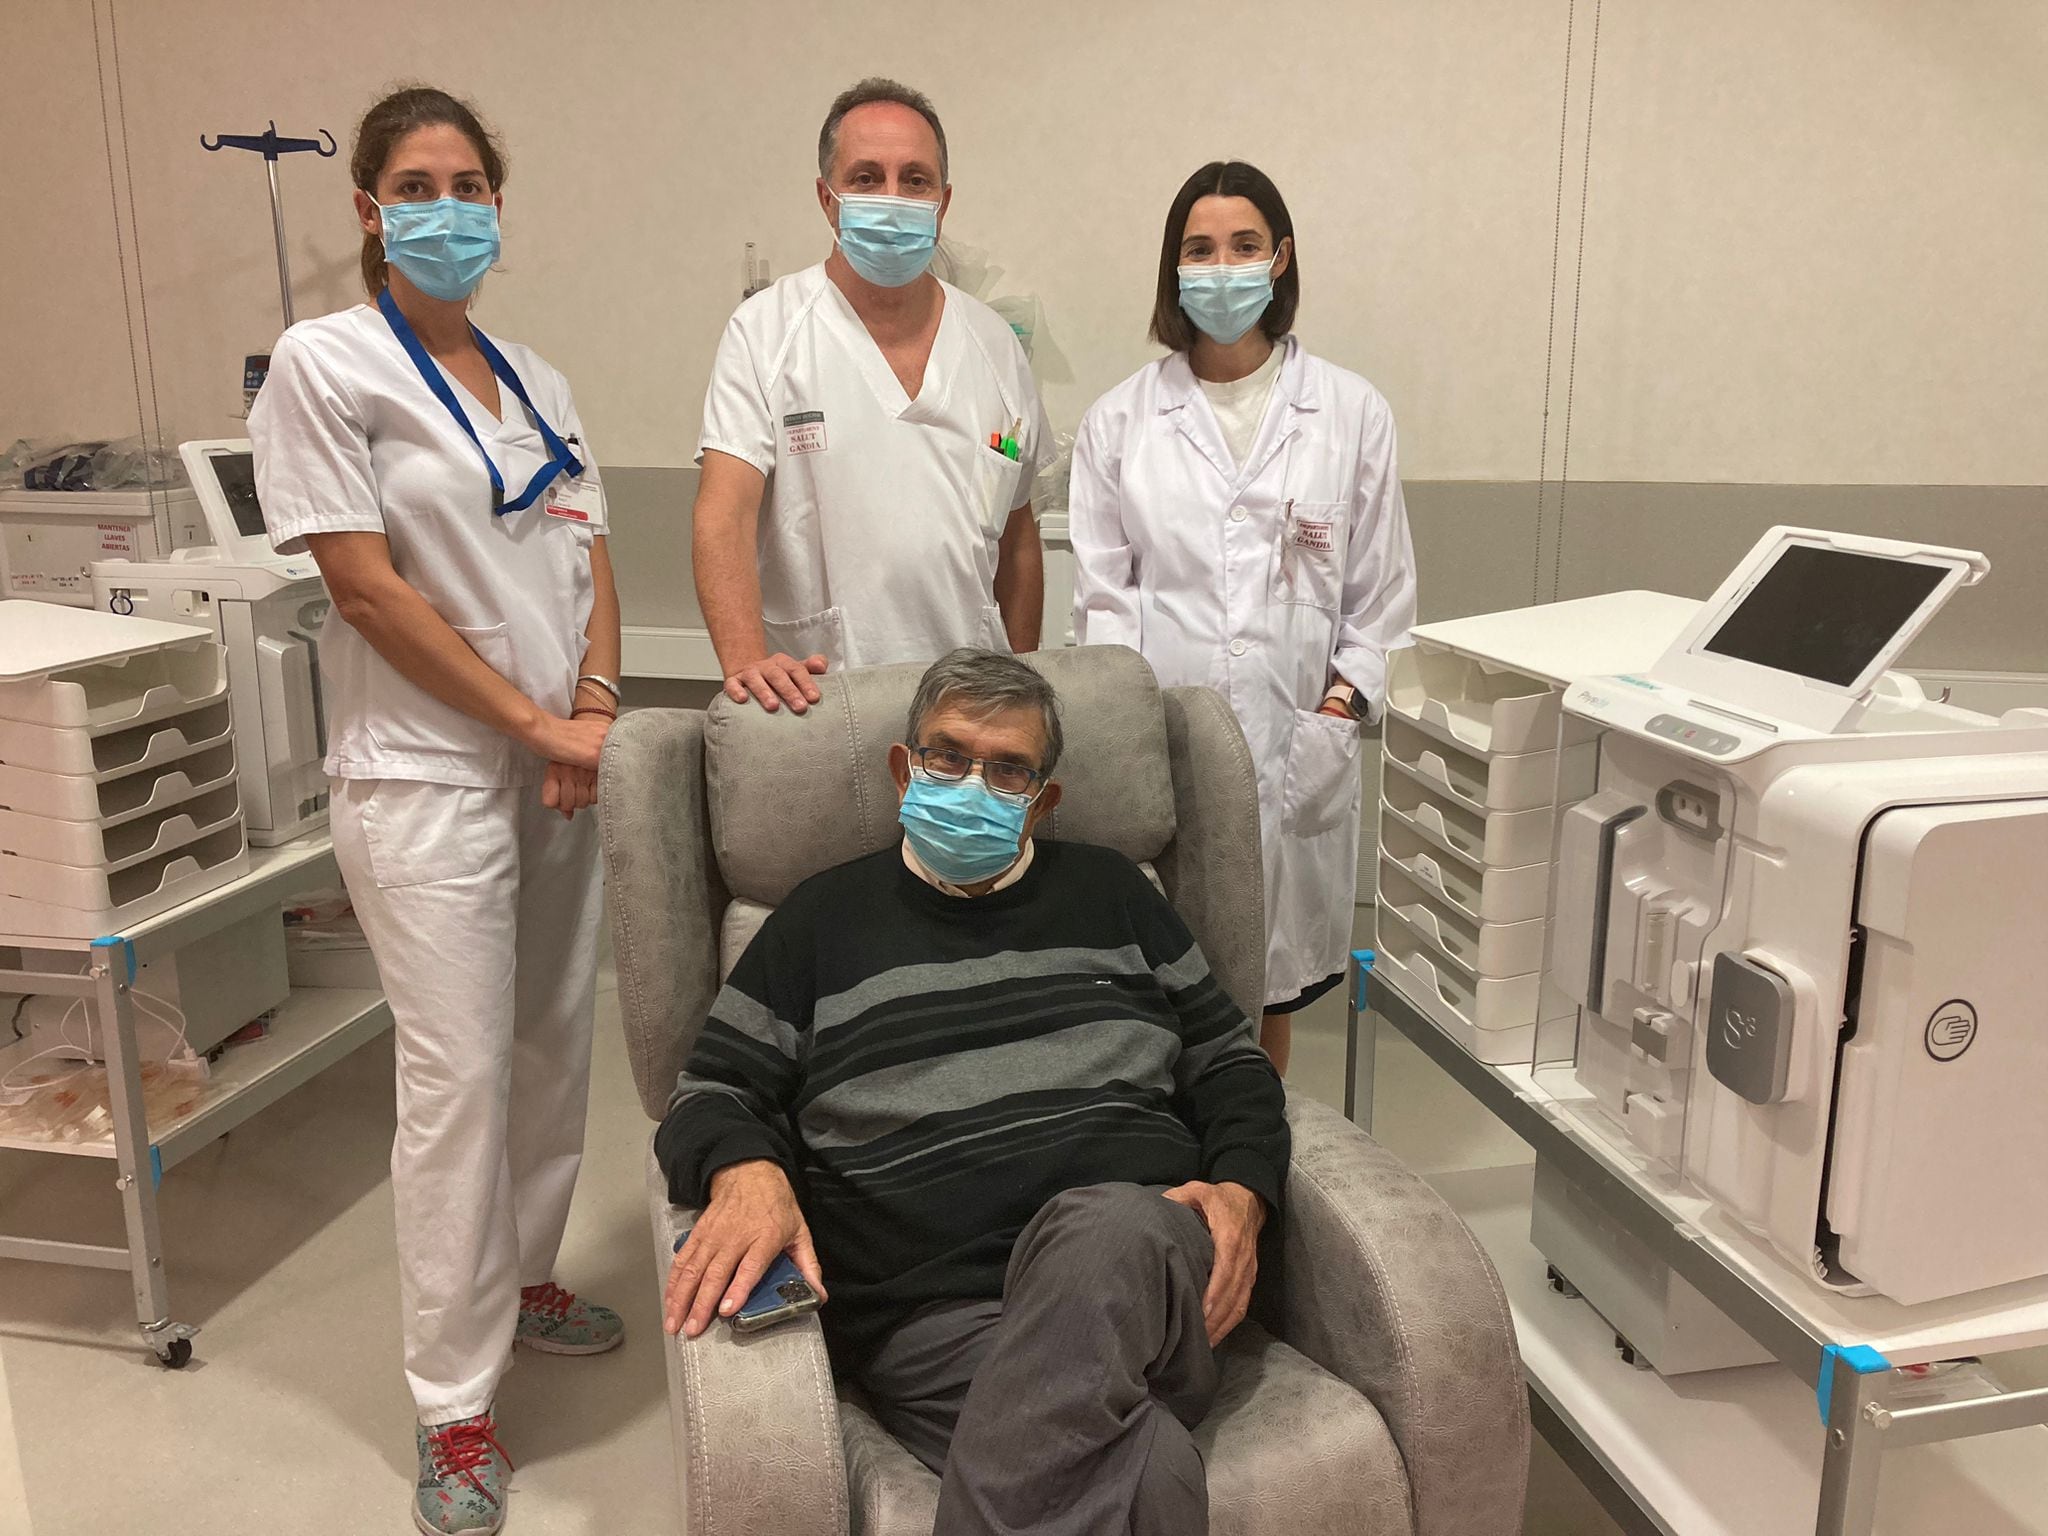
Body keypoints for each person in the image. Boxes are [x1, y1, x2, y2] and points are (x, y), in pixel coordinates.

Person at [658, 650, 1288, 1535]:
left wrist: (1244, 1193)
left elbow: (1231, 1063)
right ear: (902, 766)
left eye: (1008, 768)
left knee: (1105, 1228)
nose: (971, 781)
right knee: (1149, 1470)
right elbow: (710, 1091)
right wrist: (747, 1171)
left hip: (1143, 1271)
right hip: (934, 1316)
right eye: (948, 755)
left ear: (1043, 799)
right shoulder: (815, 921)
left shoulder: (1115, 894)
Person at [249, 86, 622, 1536]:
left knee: (550, 1042)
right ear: (369, 209)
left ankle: (523, 1276)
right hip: (425, 781)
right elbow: (364, 587)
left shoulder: (534, 374)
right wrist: (539, 722)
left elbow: (592, 551)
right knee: (456, 1086)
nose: (450, 205)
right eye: (420, 183)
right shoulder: (326, 367)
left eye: (471, 181)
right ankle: (454, 1411)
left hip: (552, 769)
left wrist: (589, 711)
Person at [1068, 161, 1416, 1077]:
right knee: (1158, 986)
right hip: (1166, 748)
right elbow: (1105, 605)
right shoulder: (1119, 422)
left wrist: (1339, 711)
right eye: (1199, 249)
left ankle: (1250, 1169)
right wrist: (1125, 737)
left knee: (1268, 990)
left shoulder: (1351, 413)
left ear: (1281, 258)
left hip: (1295, 743)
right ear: (1173, 270)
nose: (1221, 267)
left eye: (1244, 246)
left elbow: (1380, 601)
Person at [692, 78, 1053, 716]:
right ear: (827, 200)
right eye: (866, 177)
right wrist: (747, 663)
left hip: (970, 712)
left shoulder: (993, 343)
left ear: (943, 203)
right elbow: (723, 516)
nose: (892, 197)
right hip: (819, 701)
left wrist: (1024, 693)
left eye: (914, 180)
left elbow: (1020, 537)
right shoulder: (767, 332)